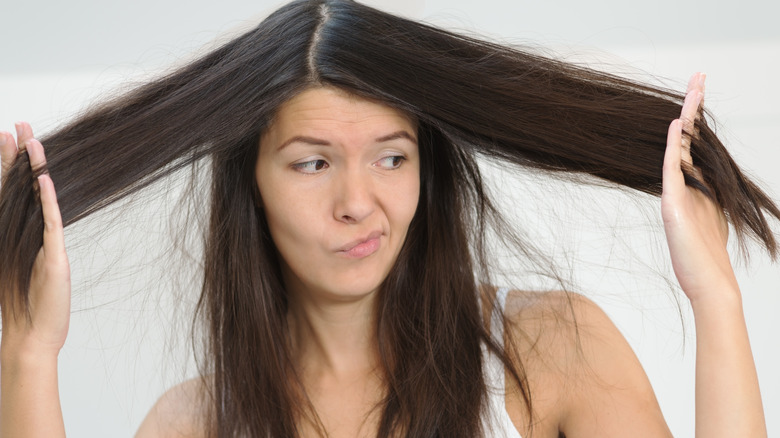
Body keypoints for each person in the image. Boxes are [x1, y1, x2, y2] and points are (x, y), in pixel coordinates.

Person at [1, 0, 777, 436]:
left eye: (392, 156)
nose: (357, 201)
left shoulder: (548, 353)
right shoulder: (195, 422)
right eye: (312, 161)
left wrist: (717, 299)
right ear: (252, 184)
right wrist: (29, 355)